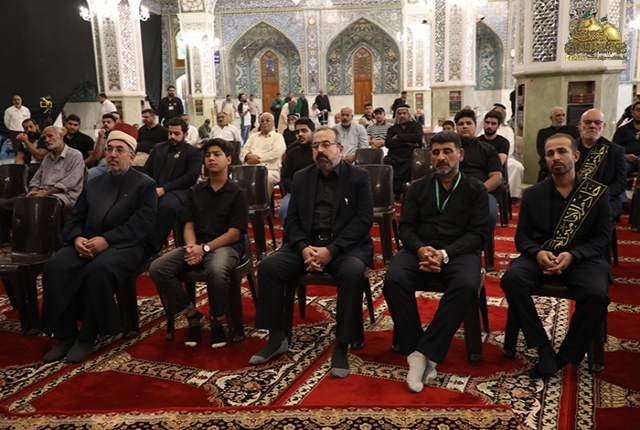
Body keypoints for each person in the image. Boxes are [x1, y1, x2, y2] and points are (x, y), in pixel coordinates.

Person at [249, 126, 374, 378]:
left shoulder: (358, 177)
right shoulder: (302, 177)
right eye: (316, 146)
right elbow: (292, 219)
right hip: (307, 244)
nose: (319, 150)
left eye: (326, 145)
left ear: (340, 149)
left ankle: (342, 344)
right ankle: (276, 338)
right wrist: (303, 248)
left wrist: (331, 250)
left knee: (352, 273)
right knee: (269, 267)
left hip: (345, 247)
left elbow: (363, 221)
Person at [39, 123, 157, 363]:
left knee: (99, 269)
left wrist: (107, 240)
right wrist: (77, 238)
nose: (112, 154)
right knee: (56, 265)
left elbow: (140, 226)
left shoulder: (145, 185)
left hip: (126, 245)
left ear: (131, 156)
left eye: (120, 150)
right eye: (110, 149)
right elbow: (76, 219)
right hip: (88, 242)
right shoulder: (93, 183)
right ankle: (65, 334)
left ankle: (88, 334)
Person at [383, 130, 489, 393]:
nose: (441, 157)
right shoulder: (417, 187)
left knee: (466, 284)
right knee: (394, 279)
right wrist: (421, 250)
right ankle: (419, 349)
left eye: (447, 151)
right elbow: (406, 228)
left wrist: (444, 254)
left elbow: (478, 234)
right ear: (430, 156)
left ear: (460, 154)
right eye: (436, 152)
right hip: (419, 249)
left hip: (459, 252)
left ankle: (422, 353)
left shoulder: (476, 189)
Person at [500, 133, 611, 379]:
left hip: (582, 259)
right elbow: (522, 237)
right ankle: (543, 347)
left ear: (576, 155)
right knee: (511, 279)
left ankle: (564, 356)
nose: (556, 157)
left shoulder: (596, 193)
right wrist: (537, 252)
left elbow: (602, 239)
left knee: (596, 295)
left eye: (562, 151)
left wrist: (573, 255)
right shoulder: (533, 194)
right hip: (541, 256)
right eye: (550, 153)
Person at [149, 139, 248, 348]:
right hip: (198, 244)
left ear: (229, 159)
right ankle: (192, 315)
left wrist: (204, 249)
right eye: (208, 155)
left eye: (217, 154)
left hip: (225, 247)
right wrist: (191, 248)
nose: (211, 158)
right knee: (158, 268)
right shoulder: (195, 191)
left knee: (217, 269)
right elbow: (189, 225)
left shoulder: (237, 193)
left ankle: (217, 318)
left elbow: (234, 234)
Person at [0, 126, 85, 236]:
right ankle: (10, 241)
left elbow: (70, 182)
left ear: (61, 136)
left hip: (64, 196)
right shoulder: (48, 157)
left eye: (50, 136)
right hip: (42, 193)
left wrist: (45, 193)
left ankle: (40, 241)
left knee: (36, 205)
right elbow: (37, 178)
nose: (47, 140)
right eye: (45, 137)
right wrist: (34, 191)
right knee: (4, 206)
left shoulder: (75, 155)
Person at [143, 117, 203, 251]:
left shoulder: (193, 152)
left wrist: (164, 188)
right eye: (170, 133)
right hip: (155, 189)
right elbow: (146, 171)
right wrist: (149, 188)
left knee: (167, 207)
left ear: (185, 134)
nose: (172, 137)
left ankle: (152, 247)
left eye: (177, 134)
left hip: (181, 192)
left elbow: (190, 177)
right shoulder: (159, 148)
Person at [455, 109, 502, 235]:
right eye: (461, 124)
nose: (465, 126)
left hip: (482, 191)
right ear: (456, 128)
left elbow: (496, 177)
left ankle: (478, 243)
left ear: (475, 126)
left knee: (489, 215)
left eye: (469, 123)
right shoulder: (450, 150)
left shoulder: (487, 149)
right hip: (453, 191)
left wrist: (479, 191)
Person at [576, 109, 626, 216]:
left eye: (597, 122)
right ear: (580, 125)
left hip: (604, 199)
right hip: (572, 198)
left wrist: (598, 197)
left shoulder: (616, 151)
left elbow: (620, 183)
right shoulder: (569, 148)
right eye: (587, 122)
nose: (592, 126)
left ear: (603, 126)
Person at [239, 112, 286, 197]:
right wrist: (248, 156)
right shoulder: (253, 136)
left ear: (273, 123)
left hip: (270, 170)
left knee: (265, 179)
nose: (264, 123)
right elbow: (243, 152)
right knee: (233, 177)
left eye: (268, 120)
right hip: (250, 168)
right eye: (262, 121)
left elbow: (275, 154)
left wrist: (257, 159)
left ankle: (264, 203)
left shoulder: (278, 137)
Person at [278, 117, 315, 226]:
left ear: (313, 132)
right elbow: (286, 177)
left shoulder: (319, 151)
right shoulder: (292, 153)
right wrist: (295, 190)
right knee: (284, 209)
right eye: (297, 132)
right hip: (296, 193)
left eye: (304, 131)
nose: (300, 134)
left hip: (319, 192)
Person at [384, 105, 423, 196]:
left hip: (410, 157)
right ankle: (391, 193)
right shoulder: (392, 129)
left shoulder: (416, 126)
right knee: (386, 161)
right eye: (400, 114)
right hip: (394, 157)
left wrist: (398, 137)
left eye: (404, 113)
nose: (402, 116)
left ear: (409, 114)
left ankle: (406, 192)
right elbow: (388, 143)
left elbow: (417, 137)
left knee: (412, 164)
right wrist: (408, 143)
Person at [536, 107, 580, 179]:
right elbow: (541, 151)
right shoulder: (543, 133)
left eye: (563, 115)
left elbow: (575, 147)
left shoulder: (572, 130)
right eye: (558, 115)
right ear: (551, 118)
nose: (561, 118)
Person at [612, 101, 640, 178]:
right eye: (638, 110)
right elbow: (613, 150)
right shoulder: (622, 130)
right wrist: (625, 156)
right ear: (632, 112)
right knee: (619, 169)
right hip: (627, 161)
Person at [87, 114, 117, 181]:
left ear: (114, 124)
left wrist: (103, 153)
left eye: (108, 122)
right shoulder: (100, 137)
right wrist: (100, 138)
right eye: (104, 122)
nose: (105, 124)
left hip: (115, 166)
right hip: (102, 166)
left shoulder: (118, 136)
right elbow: (97, 156)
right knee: (86, 176)